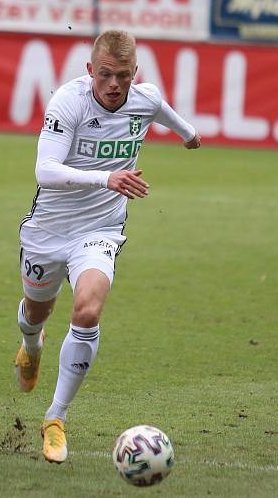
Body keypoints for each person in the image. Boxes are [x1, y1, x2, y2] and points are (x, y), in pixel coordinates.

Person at [14, 30, 200, 463]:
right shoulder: (69, 101)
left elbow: (167, 115)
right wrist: (106, 177)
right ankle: (32, 345)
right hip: (48, 230)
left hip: (100, 229)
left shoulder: (145, 97)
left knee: (88, 310)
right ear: (89, 71)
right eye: (104, 75)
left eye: (122, 76)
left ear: (136, 74)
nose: (113, 84)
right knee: (36, 310)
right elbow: (45, 170)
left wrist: (189, 135)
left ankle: (55, 418)